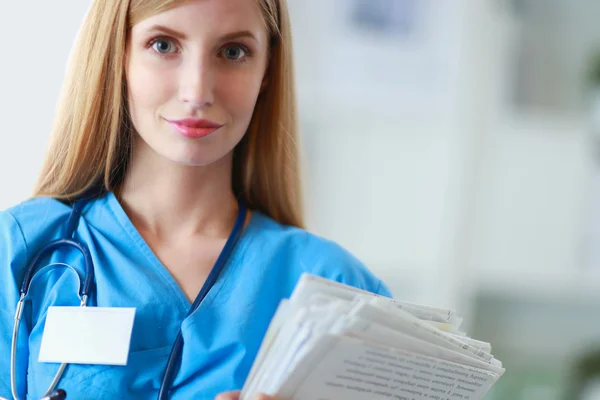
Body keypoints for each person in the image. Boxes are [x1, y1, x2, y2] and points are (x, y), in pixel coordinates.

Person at [0, 0, 392, 399]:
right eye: (164, 45)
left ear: (267, 71)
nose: (197, 91)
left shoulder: (340, 290)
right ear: (116, 53)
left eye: (233, 52)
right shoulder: (21, 250)